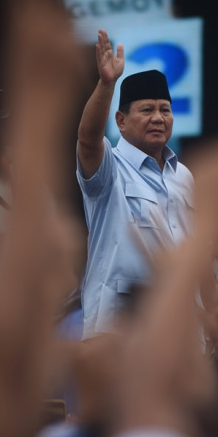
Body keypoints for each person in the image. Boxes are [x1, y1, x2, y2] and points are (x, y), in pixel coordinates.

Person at [76, 29, 195, 339]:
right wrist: (106, 84)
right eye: (147, 110)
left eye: (165, 110)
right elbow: (87, 140)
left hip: (178, 332)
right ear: (120, 121)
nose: (158, 118)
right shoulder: (110, 168)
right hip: (117, 333)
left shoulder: (183, 176)